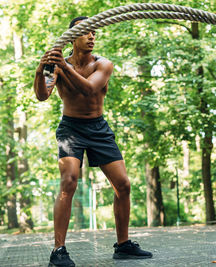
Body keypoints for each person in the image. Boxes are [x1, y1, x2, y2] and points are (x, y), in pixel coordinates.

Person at [34, 16, 153, 267]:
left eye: (94, 33)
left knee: (123, 185)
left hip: (98, 128)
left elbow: (88, 89)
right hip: (71, 129)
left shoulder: (104, 65)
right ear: (72, 37)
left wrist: (63, 68)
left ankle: (123, 245)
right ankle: (59, 250)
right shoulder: (56, 65)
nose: (91, 37)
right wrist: (40, 69)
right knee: (69, 181)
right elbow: (42, 95)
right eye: (86, 32)